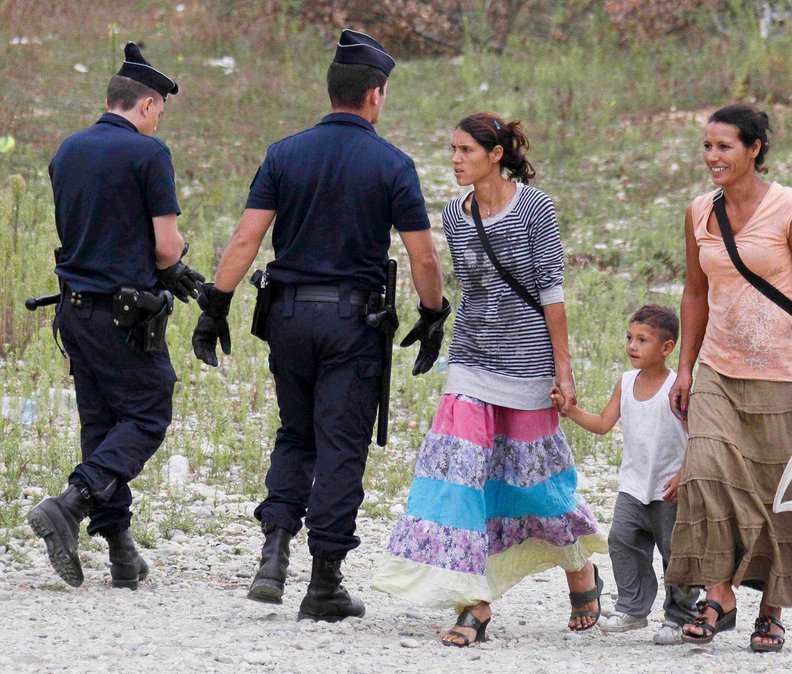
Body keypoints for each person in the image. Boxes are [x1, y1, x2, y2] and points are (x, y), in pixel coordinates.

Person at [190, 30, 447, 622]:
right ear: (375, 95)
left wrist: (215, 306)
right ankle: (325, 579)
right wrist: (432, 316)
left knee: (295, 434)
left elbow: (246, 238)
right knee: (341, 446)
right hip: (352, 324)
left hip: (286, 316)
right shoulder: (392, 164)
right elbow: (423, 257)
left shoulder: (284, 153)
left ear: (330, 91)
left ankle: (273, 552)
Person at [372, 112, 607, 647]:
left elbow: (551, 290)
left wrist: (563, 370)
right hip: (471, 361)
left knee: (538, 483)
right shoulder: (454, 214)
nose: (455, 160)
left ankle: (580, 568)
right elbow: (472, 291)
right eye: (452, 150)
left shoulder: (535, 208)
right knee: (459, 479)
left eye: (465, 150)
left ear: (495, 153)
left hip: (528, 365)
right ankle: (473, 603)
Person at [665, 103, 792, 653]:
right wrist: (684, 367)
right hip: (719, 367)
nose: (712, 157)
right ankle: (720, 592)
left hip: (783, 370)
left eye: (724, 146)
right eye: (707, 146)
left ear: (754, 149)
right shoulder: (700, 210)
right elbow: (695, 291)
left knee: (779, 490)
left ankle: (771, 610)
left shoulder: (790, 209)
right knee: (705, 471)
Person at [28, 41, 203, 590]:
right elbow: (167, 247)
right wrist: (171, 265)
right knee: (149, 412)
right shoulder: (149, 155)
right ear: (148, 106)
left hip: (74, 312)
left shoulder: (69, 149)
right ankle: (71, 503)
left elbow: (91, 228)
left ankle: (122, 553)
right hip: (123, 316)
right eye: (159, 113)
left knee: (102, 423)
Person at [550, 304, 699, 644]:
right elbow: (603, 424)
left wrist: (684, 475)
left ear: (667, 348)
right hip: (633, 485)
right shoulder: (625, 382)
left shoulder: (679, 387)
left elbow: (697, 437)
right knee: (622, 540)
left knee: (676, 552)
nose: (632, 346)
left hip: (670, 487)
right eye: (630, 337)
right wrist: (570, 411)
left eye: (643, 340)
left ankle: (680, 616)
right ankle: (633, 608)